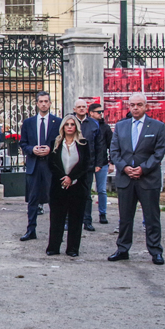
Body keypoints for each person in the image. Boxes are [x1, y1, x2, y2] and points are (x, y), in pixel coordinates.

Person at [108, 92, 165, 264]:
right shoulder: (121, 126)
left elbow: (159, 153)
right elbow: (114, 151)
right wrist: (125, 168)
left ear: (146, 106)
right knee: (125, 217)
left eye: (139, 104)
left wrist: (143, 169)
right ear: (128, 106)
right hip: (126, 179)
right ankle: (122, 248)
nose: (135, 108)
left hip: (147, 179)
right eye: (132, 105)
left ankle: (155, 250)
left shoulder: (157, 126)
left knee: (152, 217)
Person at [46, 115, 91, 257]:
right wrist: (63, 178)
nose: (70, 127)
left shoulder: (83, 144)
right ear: (63, 127)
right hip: (58, 186)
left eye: (72, 124)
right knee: (56, 218)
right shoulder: (56, 143)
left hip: (77, 187)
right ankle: (53, 247)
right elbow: (51, 164)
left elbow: (85, 164)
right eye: (67, 124)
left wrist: (71, 177)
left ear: (76, 127)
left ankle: (72, 249)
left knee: (76, 219)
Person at [19, 92, 62, 241]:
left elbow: (61, 142)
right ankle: (31, 230)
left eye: (46, 101)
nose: (43, 104)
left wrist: (51, 149)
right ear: (37, 104)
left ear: (50, 103)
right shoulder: (28, 123)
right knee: (32, 199)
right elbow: (23, 143)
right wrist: (32, 149)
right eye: (41, 101)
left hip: (51, 165)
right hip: (34, 164)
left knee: (55, 199)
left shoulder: (58, 122)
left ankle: (56, 232)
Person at [73, 99, 99, 232]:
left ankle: (87, 221)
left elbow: (99, 145)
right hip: (71, 164)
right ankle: (68, 221)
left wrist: (98, 163)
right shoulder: (70, 123)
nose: (82, 109)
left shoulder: (93, 124)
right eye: (79, 107)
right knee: (70, 194)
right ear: (74, 109)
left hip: (88, 165)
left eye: (84, 107)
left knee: (86, 194)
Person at [90, 103, 113, 225]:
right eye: (98, 112)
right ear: (91, 113)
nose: (101, 114)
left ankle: (102, 214)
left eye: (101, 112)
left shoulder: (105, 127)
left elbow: (112, 145)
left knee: (102, 190)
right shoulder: (86, 125)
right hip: (88, 163)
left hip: (102, 162)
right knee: (86, 190)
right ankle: (85, 215)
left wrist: (112, 162)